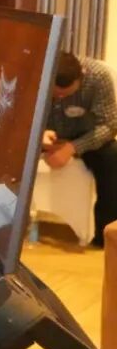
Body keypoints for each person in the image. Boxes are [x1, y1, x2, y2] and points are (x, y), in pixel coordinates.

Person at [42, 51, 117, 246]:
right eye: (55, 94)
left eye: (65, 94)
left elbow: (108, 126)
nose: (59, 98)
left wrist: (72, 148)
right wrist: (38, 134)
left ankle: (105, 240)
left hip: (84, 137)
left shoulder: (98, 77)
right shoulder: (38, 73)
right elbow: (17, 115)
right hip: (43, 135)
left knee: (112, 157)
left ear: (81, 77)